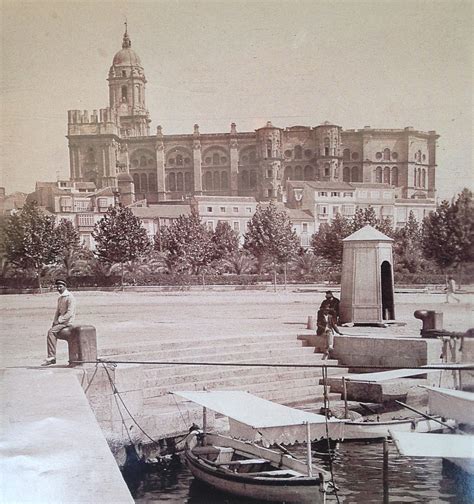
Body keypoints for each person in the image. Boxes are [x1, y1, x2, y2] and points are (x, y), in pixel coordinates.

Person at [41, 279, 76, 366]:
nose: (59, 288)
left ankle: (52, 356)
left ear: (65, 286)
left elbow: (70, 313)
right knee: (52, 330)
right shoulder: (60, 298)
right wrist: (54, 321)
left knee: (51, 332)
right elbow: (58, 311)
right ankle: (52, 357)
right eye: (57, 287)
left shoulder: (70, 297)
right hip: (60, 323)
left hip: (67, 322)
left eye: (60, 287)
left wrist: (59, 321)